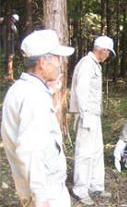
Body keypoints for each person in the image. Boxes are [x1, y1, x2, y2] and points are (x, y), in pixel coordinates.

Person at [1, 29, 74, 207]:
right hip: (47, 191)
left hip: (33, 186)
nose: (60, 64)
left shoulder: (21, 89)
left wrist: (48, 91)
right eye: (57, 58)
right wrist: (41, 196)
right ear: (42, 62)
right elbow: (29, 149)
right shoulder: (35, 98)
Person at [69, 36, 115, 206]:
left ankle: (96, 186)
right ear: (102, 50)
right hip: (87, 116)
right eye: (108, 52)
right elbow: (82, 91)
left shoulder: (94, 64)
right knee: (85, 153)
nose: (108, 56)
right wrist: (85, 115)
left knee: (96, 152)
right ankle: (80, 189)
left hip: (94, 116)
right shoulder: (87, 64)